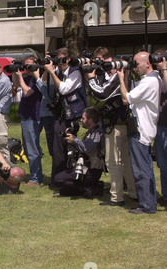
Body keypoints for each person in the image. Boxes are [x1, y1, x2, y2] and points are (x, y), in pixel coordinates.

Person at [85, 47, 137, 207]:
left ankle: (116, 197)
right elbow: (94, 98)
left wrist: (91, 79)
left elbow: (102, 94)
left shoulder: (120, 77)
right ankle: (134, 193)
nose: (104, 67)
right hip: (114, 124)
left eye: (106, 63)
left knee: (113, 161)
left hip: (117, 125)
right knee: (125, 162)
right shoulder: (107, 76)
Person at [118, 51, 166, 214]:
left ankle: (147, 206)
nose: (135, 67)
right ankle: (148, 202)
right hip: (144, 128)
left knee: (141, 169)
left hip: (141, 130)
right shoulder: (152, 79)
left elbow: (126, 99)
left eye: (137, 63)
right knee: (144, 167)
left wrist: (120, 78)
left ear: (148, 63)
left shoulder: (149, 82)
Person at [43, 48, 88, 185]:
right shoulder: (59, 72)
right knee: (58, 147)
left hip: (71, 116)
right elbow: (43, 84)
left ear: (68, 59)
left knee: (66, 147)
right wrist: (47, 69)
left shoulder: (75, 73)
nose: (58, 62)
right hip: (61, 114)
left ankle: (65, 178)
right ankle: (59, 178)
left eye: (60, 59)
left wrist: (51, 71)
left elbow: (63, 89)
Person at [54, 108, 104, 198]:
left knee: (59, 180)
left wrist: (74, 139)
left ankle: (89, 189)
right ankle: (90, 186)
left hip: (91, 170)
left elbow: (88, 149)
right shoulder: (91, 132)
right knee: (60, 180)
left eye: (83, 118)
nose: (81, 120)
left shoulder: (97, 133)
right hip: (84, 168)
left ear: (90, 120)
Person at [13, 56, 44, 186]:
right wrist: (16, 72)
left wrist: (20, 77)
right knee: (27, 147)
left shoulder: (39, 78)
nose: (27, 68)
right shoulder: (27, 77)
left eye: (30, 65)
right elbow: (15, 85)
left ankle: (35, 178)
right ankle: (35, 175)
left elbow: (27, 92)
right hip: (26, 115)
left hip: (34, 116)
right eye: (25, 65)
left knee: (32, 148)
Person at [154, 50, 167, 207]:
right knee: (162, 164)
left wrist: (164, 69)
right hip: (160, 124)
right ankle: (165, 195)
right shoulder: (155, 76)